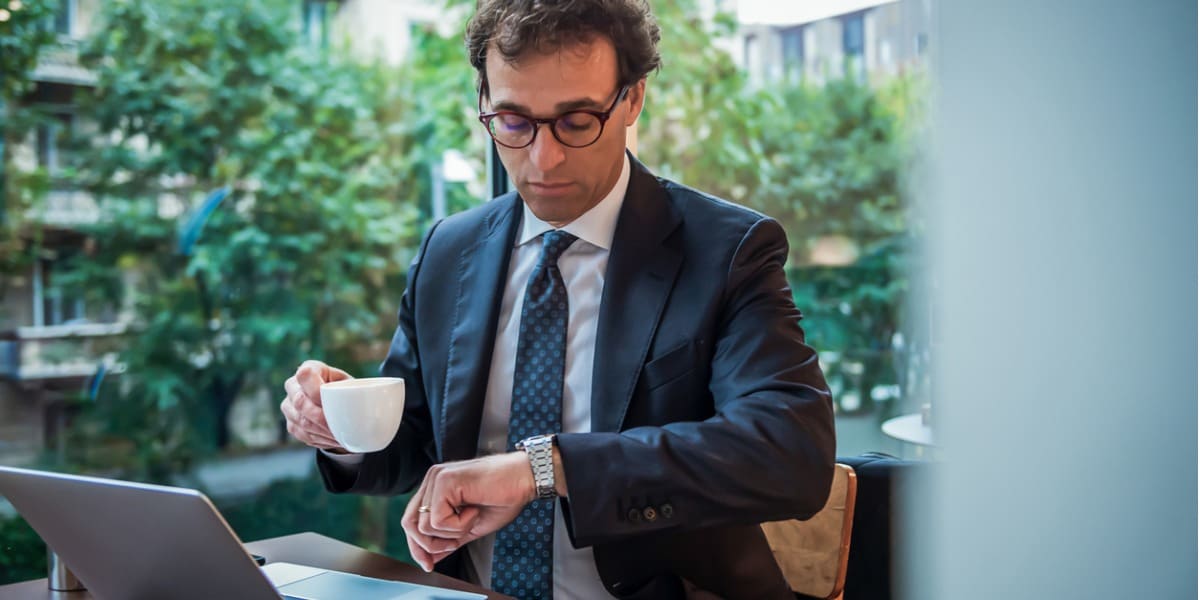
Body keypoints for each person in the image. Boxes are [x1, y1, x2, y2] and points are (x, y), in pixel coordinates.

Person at [280, 1, 835, 598]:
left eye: (576, 121)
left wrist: (545, 470)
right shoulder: (451, 250)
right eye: (514, 123)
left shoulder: (726, 251)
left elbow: (790, 452)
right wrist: (338, 428)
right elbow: (412, 444)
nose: (543, 160)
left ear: (632, 100)